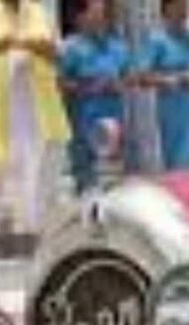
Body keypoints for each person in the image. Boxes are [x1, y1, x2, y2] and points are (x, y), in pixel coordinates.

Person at [0, 0, 71, 232]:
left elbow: (58, 53)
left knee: (41, 159)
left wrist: (40, 47)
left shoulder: (40, 13)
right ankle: (8, 223)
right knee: (4, 163)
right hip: (2, 101)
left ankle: (36, 225)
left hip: (39, 102)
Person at [60, 0, 131, 193]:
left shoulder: (118, 47)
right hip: (84, 117)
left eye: (104, 15)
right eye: (96, 14)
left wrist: (119, 84)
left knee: (113, 175)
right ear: (80, 18)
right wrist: (87, 87)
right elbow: (60, 83)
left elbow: (129, 78)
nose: (101, 20)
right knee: (86, 173)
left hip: (112, 118)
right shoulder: (70, 48)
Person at [139, 0, 189, 170]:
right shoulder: (156, 41)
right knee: (179, 160)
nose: (184, 11)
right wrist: (173, 79)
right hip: (173, 111)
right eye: (179, 6)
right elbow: (142, 77)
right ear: (167, 9)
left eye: (186, 6)